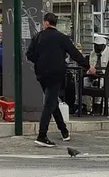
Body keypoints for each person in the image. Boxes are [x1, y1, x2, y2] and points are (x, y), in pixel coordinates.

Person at [26, 13, 94, 148]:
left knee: (52, 101)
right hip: (56, 73)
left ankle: (63, 131)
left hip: (41, 74)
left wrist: (39, 62)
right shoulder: (62, 38)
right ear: (55, 23)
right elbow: (75, 54)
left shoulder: (38, 37)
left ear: (45, 22)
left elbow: (29, 54)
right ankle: (42, 135)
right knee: (49, 103)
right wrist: (88, 66)